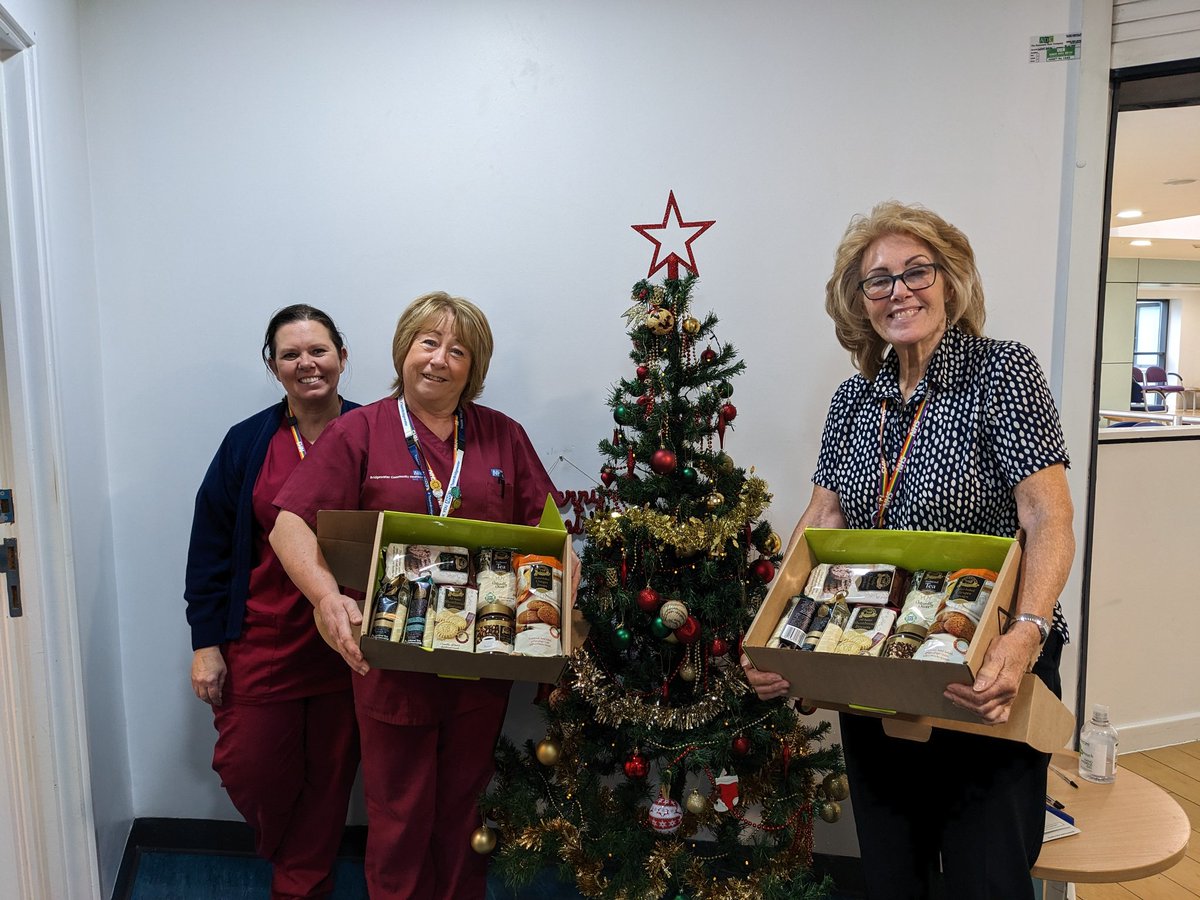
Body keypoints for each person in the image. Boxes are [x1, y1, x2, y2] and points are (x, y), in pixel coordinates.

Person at [742, 201, 1074, 900]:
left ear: (949, 281)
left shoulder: (1003, 373)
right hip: (878, 670)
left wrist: (1025, 637)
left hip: (983, 670)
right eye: (878, 280)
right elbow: (821, 518)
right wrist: (773, 637)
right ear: (860, 304)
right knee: (894, 878)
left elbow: (1047, 515)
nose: (899, 290)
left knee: (989, 881)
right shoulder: (853, 400)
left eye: (916, 271)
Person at [269, 291, 565, 899]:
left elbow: (552, 539)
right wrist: (328, 599)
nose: (439, 359)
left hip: (481, 658)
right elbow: (288, 524)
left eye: (457, 350)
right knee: (399, 812)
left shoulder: (503, 436)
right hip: (391, 658)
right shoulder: (360, 430)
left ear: (473, 368)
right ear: (404, 349)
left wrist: (554, 631)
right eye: (428, 342)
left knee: (462, 807)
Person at [184, 304, 361, 900]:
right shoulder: (247, 443)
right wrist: (206, 644)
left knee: (331, 777)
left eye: (318, 350)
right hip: (261, 637)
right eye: (291, 354)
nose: (307, 363)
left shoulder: (375, 433)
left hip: (345, 642)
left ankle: (300, 885)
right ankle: (297, 859)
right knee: (252, 767)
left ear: (342, 356)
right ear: (273, 365)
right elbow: (209, 548)